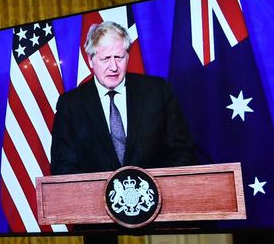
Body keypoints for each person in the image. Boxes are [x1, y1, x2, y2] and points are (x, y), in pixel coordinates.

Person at [50, 21, 198, 175]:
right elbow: (63, 168)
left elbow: (182, 153)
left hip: (155, 194)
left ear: (127, 56)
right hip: (95, 197)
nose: (113, 67)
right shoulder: (70, 105)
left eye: (119, 57)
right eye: (106, 59)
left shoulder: (158, 91)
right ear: (90, 60)